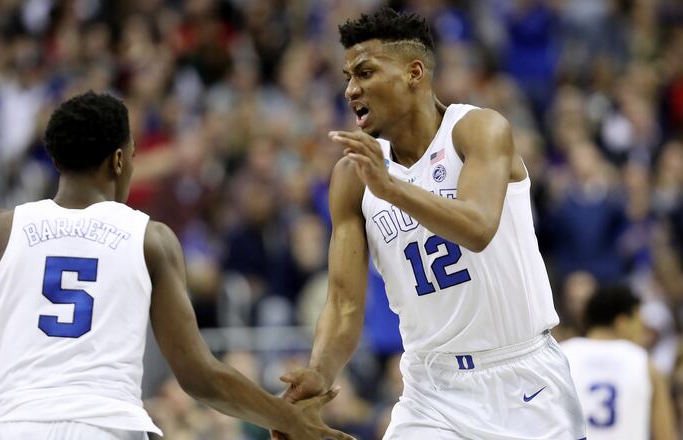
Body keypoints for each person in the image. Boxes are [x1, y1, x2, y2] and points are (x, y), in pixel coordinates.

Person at [0, 92, 353, 440]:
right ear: (118, 160)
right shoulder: (149, 238)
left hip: (16, 428)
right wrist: (287, 418)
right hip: (109, 427)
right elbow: (199, 376)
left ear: (56, 159)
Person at [276, 8, 586, 439]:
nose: (350, 89)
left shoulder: (477, 129)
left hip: (521, 377)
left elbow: (478, 228)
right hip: (431, 390)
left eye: (365, 72)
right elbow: (345, 303)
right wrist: (320, 371)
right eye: (347, 76)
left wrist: (391, 189)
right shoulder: (353, 175)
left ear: (413, 73)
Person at [561, 285, 677, 440]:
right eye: (639, 322)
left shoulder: (562, 354)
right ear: (622, 322)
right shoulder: (643, 362)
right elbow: (666, 436)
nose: (642, 331)